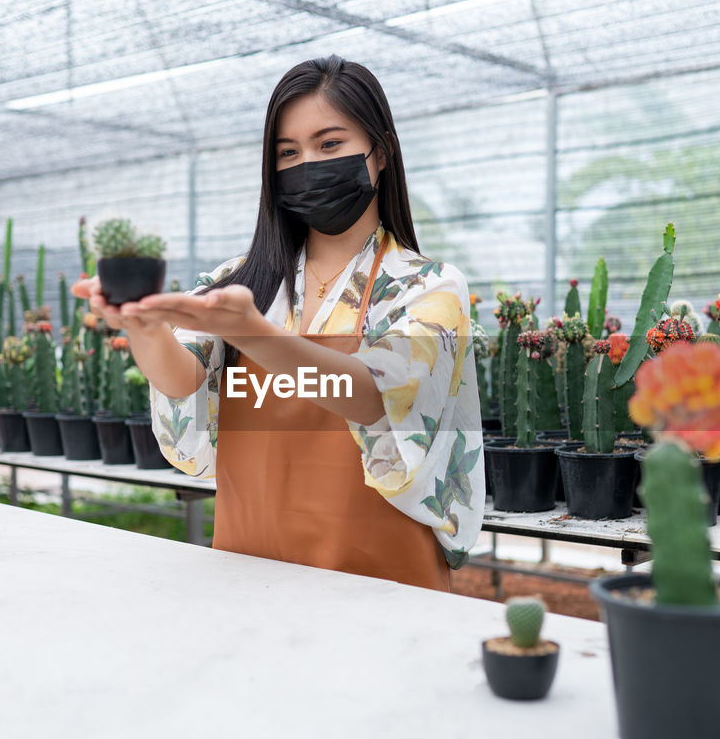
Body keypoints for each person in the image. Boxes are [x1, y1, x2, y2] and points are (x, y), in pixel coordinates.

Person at [74, 55, 483, 591]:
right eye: (288, 153)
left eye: (329, 144)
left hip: (376, 578)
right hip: (249, 568)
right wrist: (142, 325)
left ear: (379, 153)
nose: (307, 164)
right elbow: (183, 382)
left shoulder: (426, 288)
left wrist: (252, 334)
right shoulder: (240, 282)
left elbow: (373, 397)